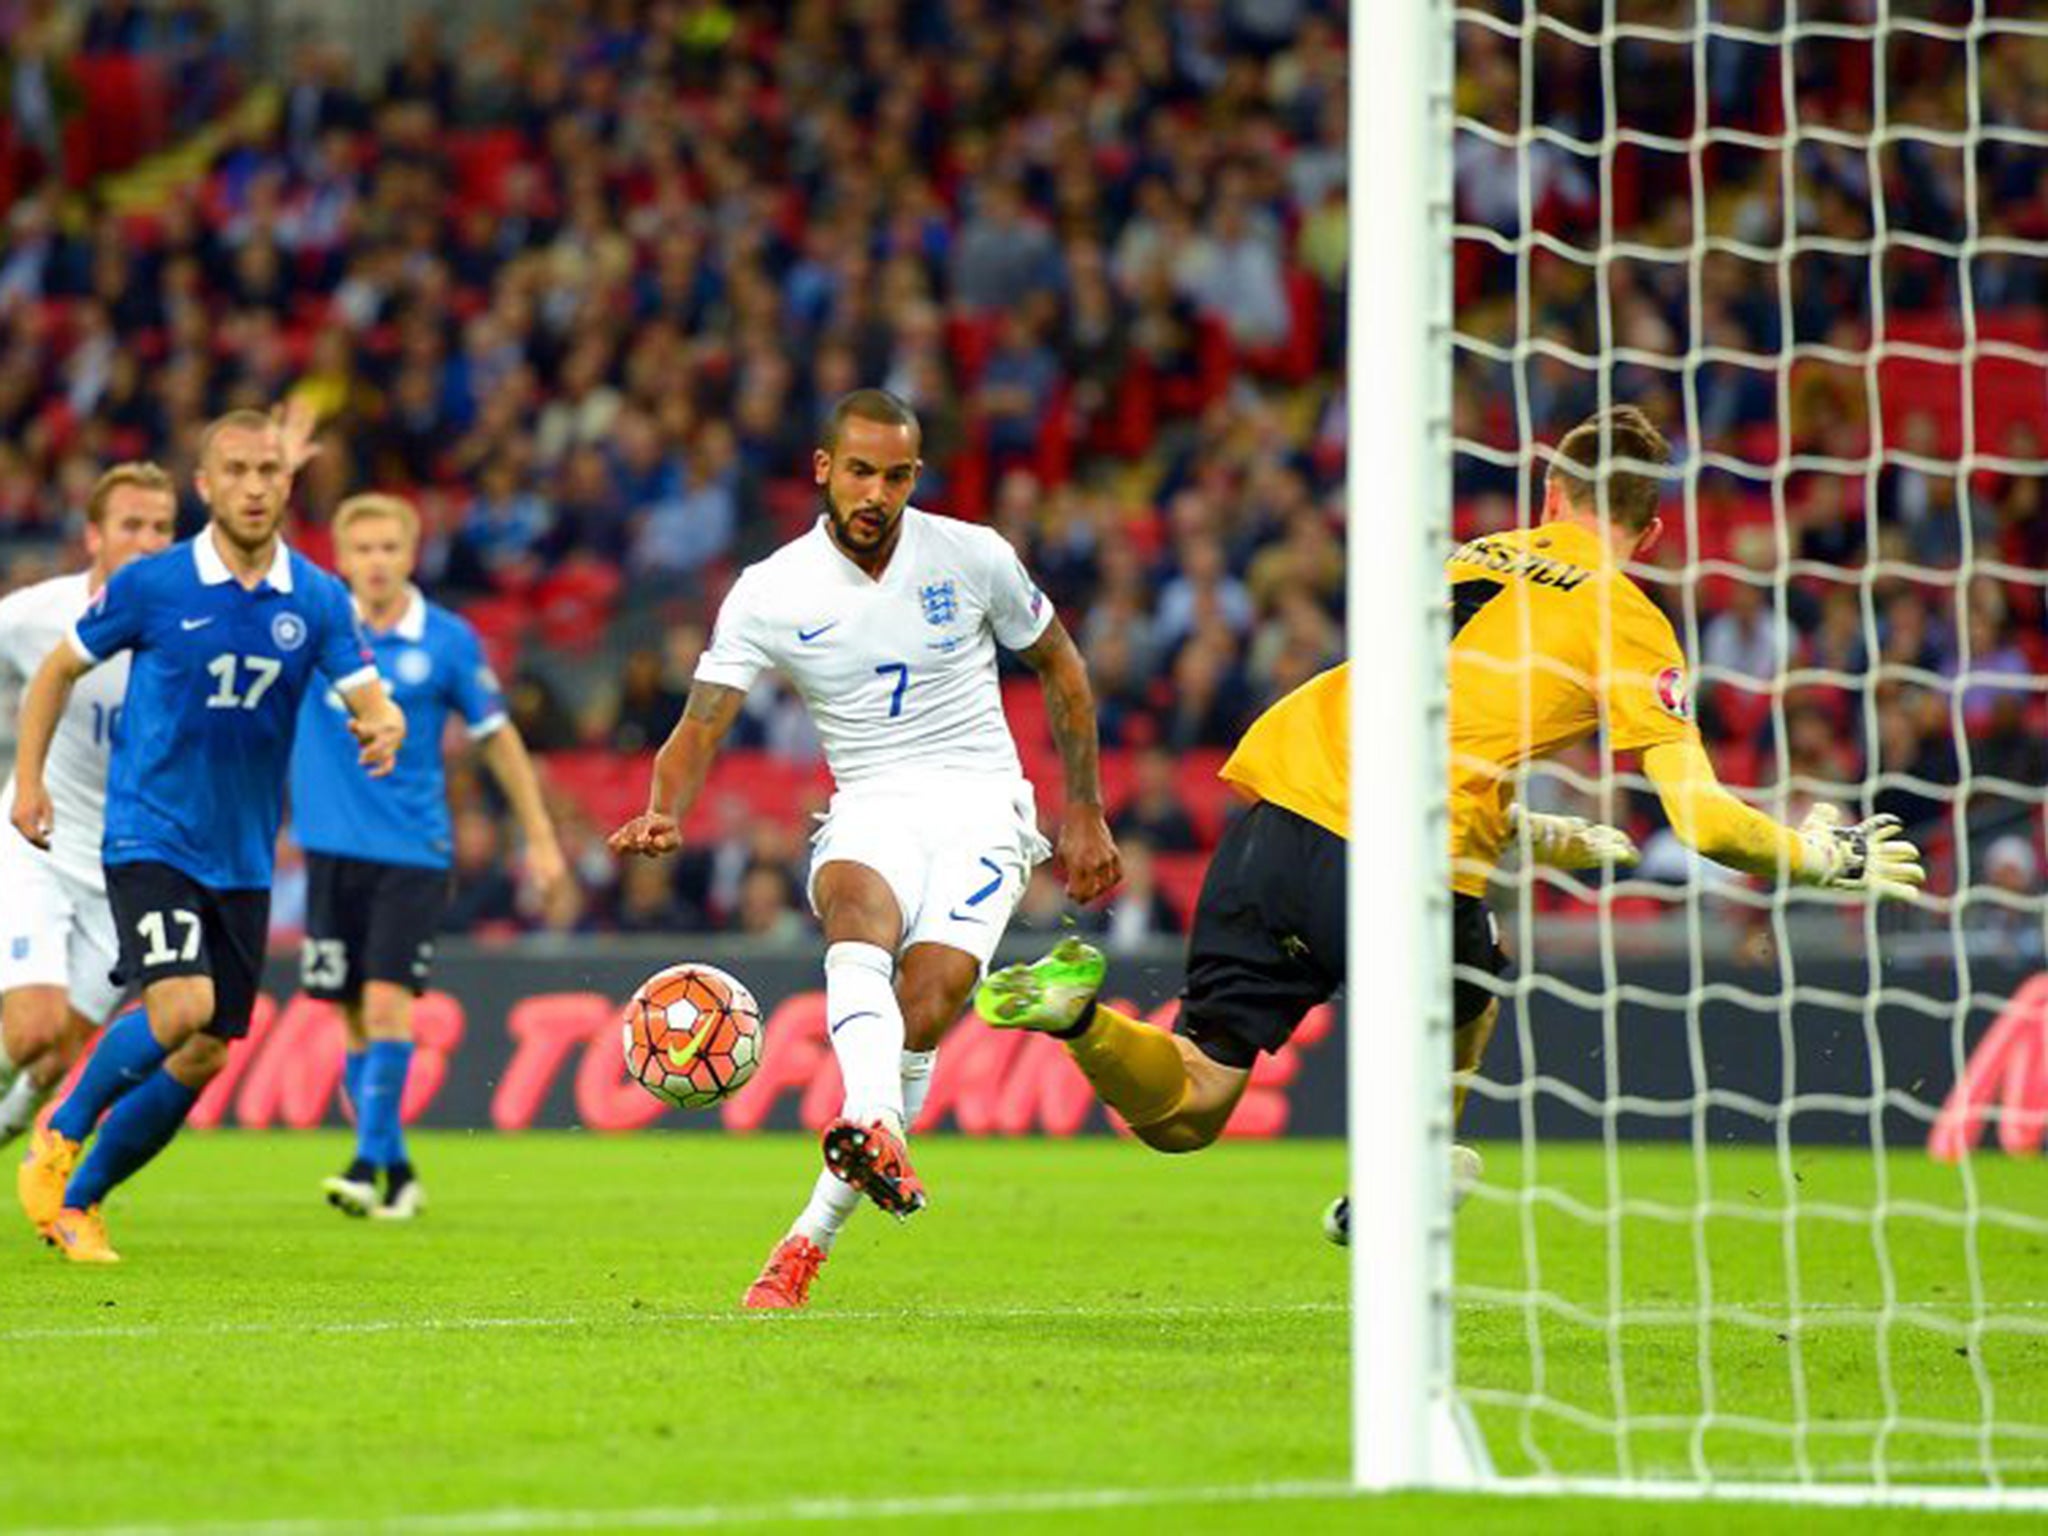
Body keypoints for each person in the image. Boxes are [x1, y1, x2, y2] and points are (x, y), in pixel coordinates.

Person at [979, 406, 1924, 1239]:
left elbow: (1446, 720)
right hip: (1398, 855)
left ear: (1550, 492)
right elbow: (1706, 822)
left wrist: (1529, 832)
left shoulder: (1466, 558)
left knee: (1189, 1100)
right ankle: (1414, 1166)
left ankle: (1085, 1021)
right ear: (1654, 529)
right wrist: (1820, 856)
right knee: (1479, 971)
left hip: (1280, 810)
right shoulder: (1628, 616)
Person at [608, 388, 1120, 1310]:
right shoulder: (771, 588)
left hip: (980, 805)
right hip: (872, 800)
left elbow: (1062, 667)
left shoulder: (972, 555)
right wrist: (662, 807)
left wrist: (1082, 809)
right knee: (854, 908)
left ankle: (807, 1237)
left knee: (926, 1005)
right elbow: (702, 722)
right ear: (823, 470)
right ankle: (877, 1124)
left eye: (894, 475)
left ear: (914, 476)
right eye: (859, 472)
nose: (875, 492)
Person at [12, 410, 405, 1263]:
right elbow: (58, 669)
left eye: (269, 471)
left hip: (242, 854)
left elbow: (369, 696)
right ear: (207, 486)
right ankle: (59, 1133)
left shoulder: (318, 596)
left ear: (286, 484)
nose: (255, 487)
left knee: (204, 1052)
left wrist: (384, 727)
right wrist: (33, 778)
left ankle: (79, 1203)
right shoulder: (156, 587)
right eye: (237, 471)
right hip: (150, 835)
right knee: (180, 1005)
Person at [290, 492, 565, 1221]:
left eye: (390, 548)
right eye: (364, 549)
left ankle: (360, 1165)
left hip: (413, 850)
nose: (377, 561)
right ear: (341, 559)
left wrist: (539, 837)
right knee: (351, 1017)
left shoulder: (446, 639)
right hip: (327, 851)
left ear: (410, 556)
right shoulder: (315, 634)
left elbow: (498, 738)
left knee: (385, 1004)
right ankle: (398, 1168)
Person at [0, 464, 178, 1144]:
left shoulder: (189, 630)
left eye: (161, 528)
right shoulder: (36, 616)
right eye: (131, 525)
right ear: (93, 537)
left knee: (59, 1052)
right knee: (32, 1029)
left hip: (127, 867)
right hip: (38, 842)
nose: (147, 541)